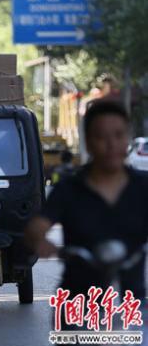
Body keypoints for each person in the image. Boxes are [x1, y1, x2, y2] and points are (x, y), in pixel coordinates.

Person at [25, 100, 148, 301]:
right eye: (102, 137)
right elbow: (36, 228)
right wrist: (39, 240)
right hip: (79, 306)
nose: (111, 145)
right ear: (88, 142)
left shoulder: (143, 186)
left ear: (127, 139)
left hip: (133, 307)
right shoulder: (69, 188)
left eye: (119, 135)